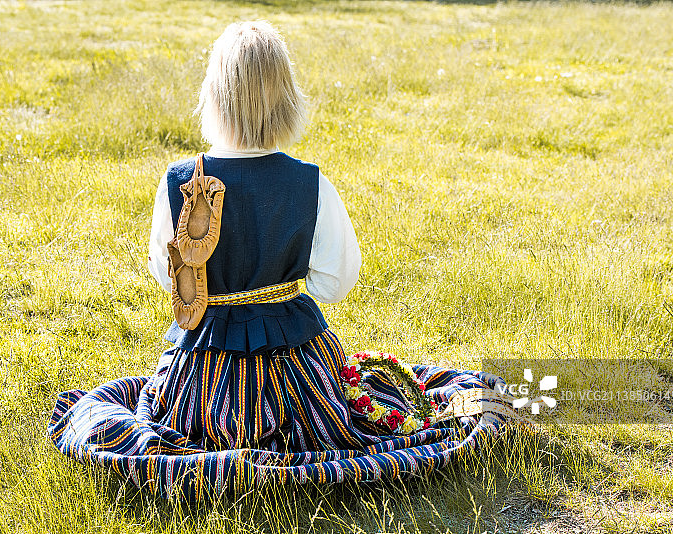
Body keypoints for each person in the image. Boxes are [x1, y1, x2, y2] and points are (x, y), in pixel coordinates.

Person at [48, 21, 512, 502]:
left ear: (213, 96)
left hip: (202, 379)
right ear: (287, 100)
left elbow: (165, 271)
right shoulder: (310, 184)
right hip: (298, 377)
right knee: (350, 410)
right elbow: (334, 282)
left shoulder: (180, 180)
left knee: (178, 416)